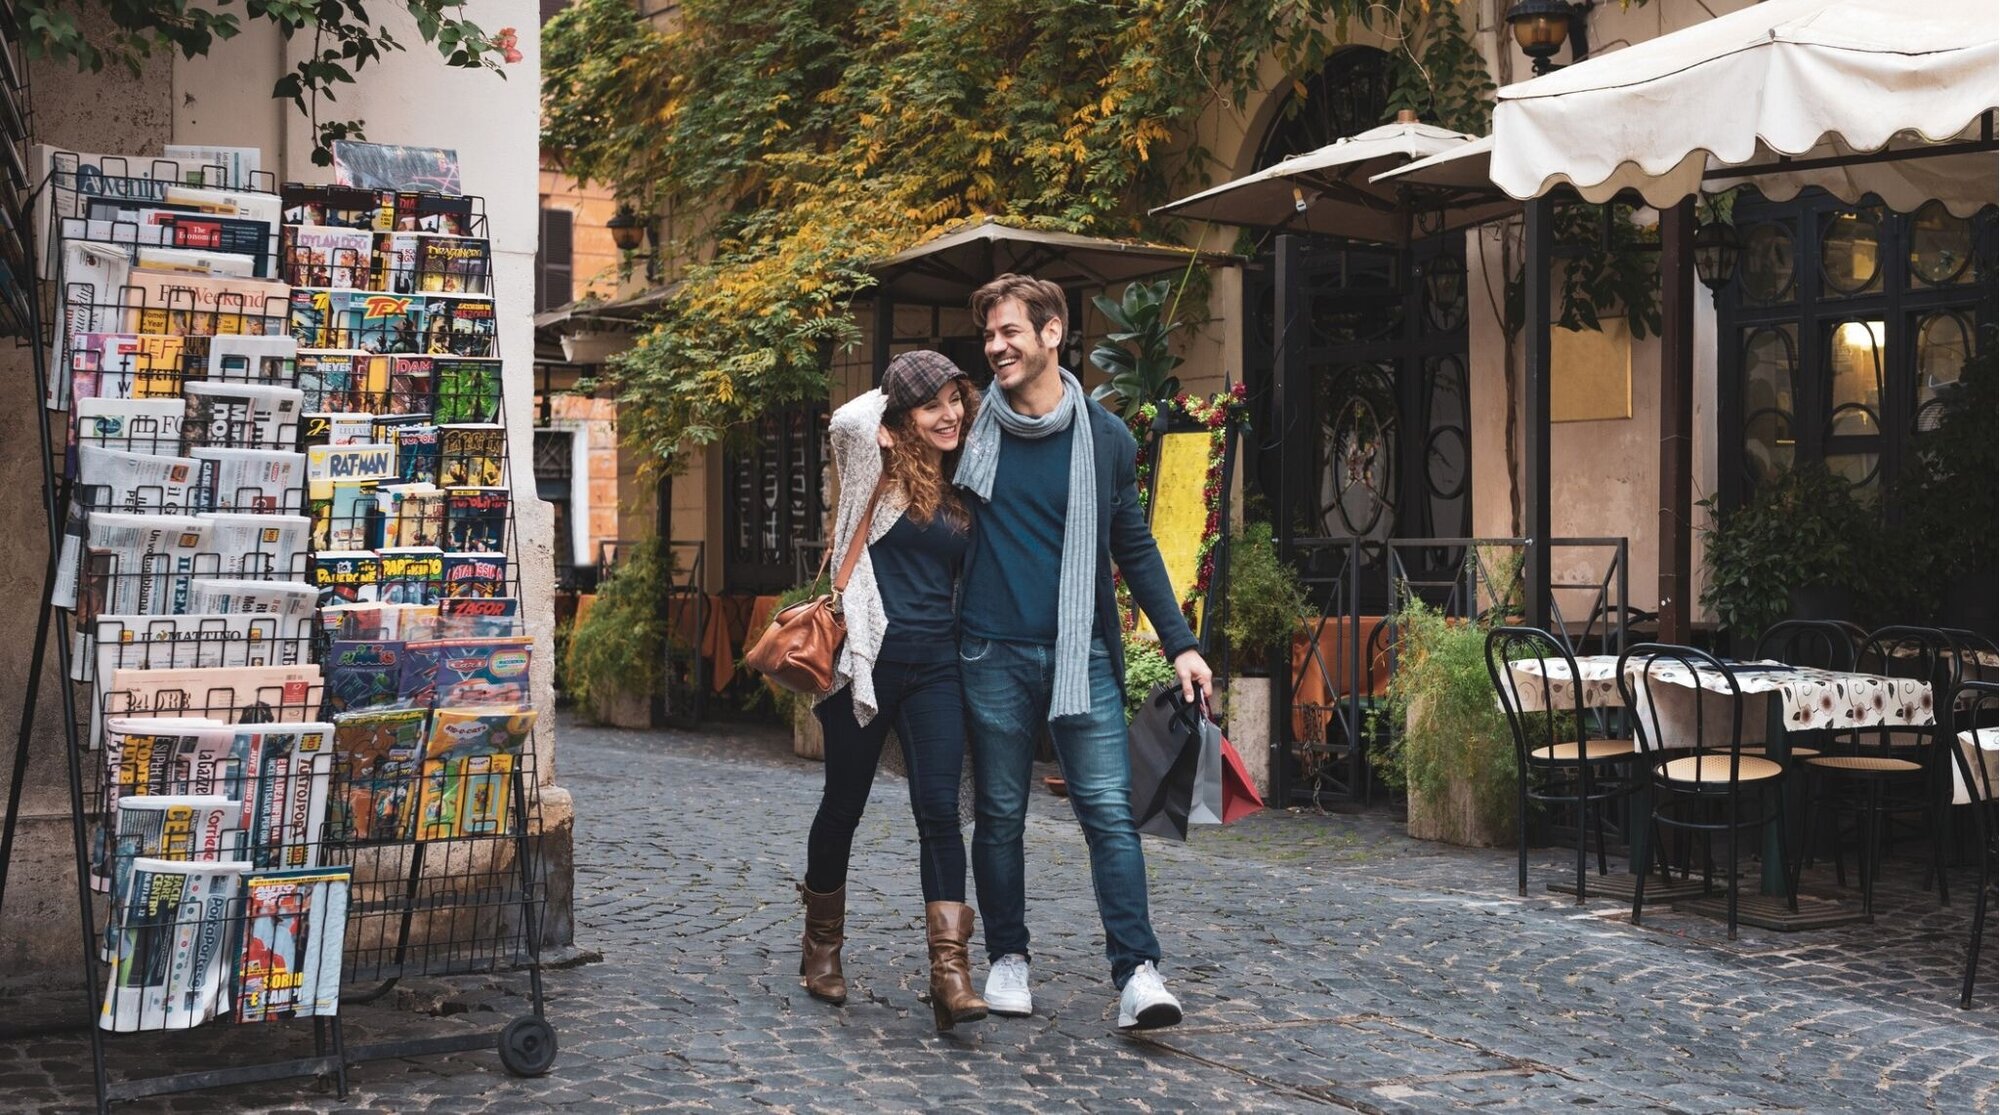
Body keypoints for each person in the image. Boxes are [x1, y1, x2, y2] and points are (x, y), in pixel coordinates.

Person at [956, 273, 1213, 1031]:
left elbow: (1132, 546)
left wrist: (1183, 644)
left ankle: (1137, 972)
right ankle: (1008, 956)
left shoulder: (1105, 438)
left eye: (1009, 331)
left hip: (1082, 653)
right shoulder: (967, 426)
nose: (996, 346)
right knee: (1000, 812)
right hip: (990, 652)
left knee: (1107, 812)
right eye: (989, 336)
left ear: (1051, 333)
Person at [796, 349, 990, 1032]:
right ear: (900, 416)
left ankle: (951, 972)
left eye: (956, 399)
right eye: (932, 404)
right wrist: (888, 409)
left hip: (937, 666)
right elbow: (846, 418)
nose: (951, 415)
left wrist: (934, 411)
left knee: (939, 808)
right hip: (865, 659)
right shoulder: (869, 469)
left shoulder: (962, 482)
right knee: (843, 804)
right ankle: (821, 947)